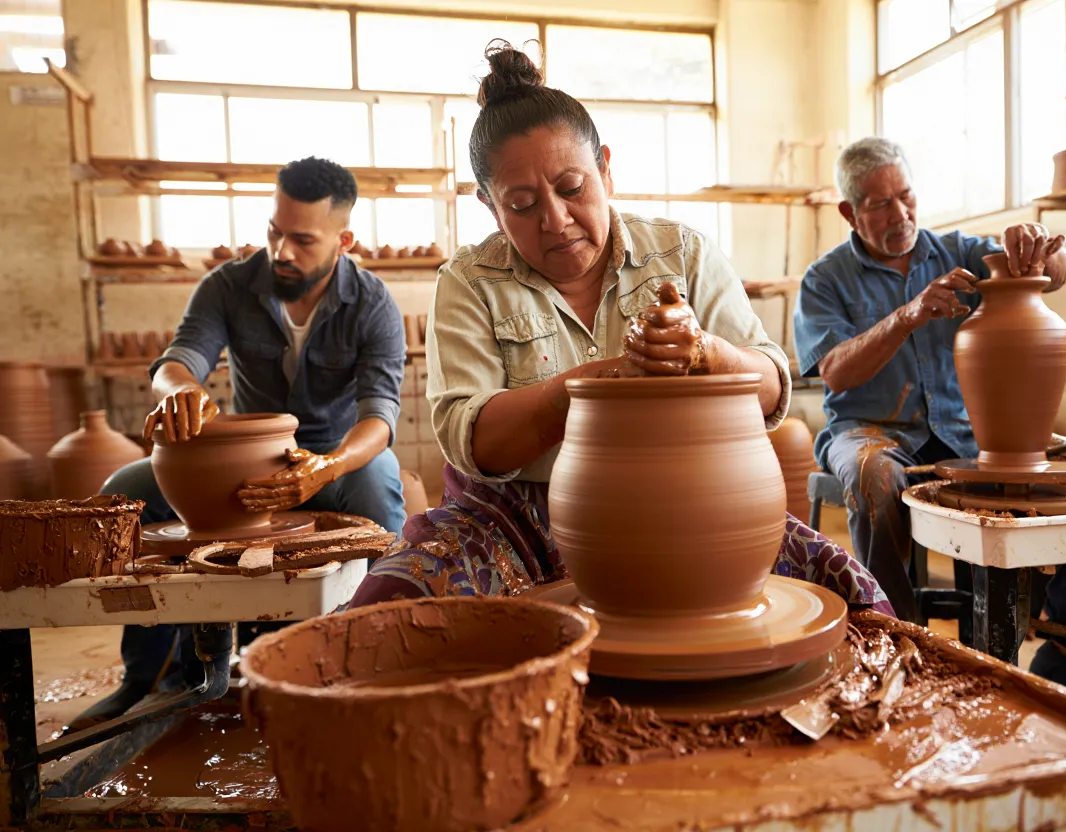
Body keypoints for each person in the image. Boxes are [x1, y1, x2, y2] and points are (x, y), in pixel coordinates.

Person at [349, 41, 893, 618]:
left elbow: (771, 389)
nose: (555, 221)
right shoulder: (468, 280)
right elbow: (472, 437)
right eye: (524, 203)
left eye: (571, 187)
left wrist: (710, 355)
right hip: (516, 517)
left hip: (687, 508)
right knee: (388, 609)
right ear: (489, 205)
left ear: (605, 167)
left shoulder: (683, 253)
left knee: (854, 600)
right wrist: (602, 381)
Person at [68, 157, 407, 731]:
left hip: (334, 453)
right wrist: (179, 391)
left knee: (380, 494)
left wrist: (327, 467)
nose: (281, 251)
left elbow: (379, 415)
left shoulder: (373, 304)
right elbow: (180, 359)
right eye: (275, 231)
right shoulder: (228, 285)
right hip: (245, 461)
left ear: (344, 240)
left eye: (302, 239)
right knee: (120, 494)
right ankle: (151, 678)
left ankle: (375, 666)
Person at [792, 137, 1066, 677]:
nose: (901, 214)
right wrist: (908, 315)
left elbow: (1054, 272)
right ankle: (895, 640)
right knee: (876, 479)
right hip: (871, 428)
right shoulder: (825, 279)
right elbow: (836, 370)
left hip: (974, 432)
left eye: (906, 196)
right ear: (850, 212)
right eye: (880, 204)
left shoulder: (960, 252)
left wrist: (1042, 247)